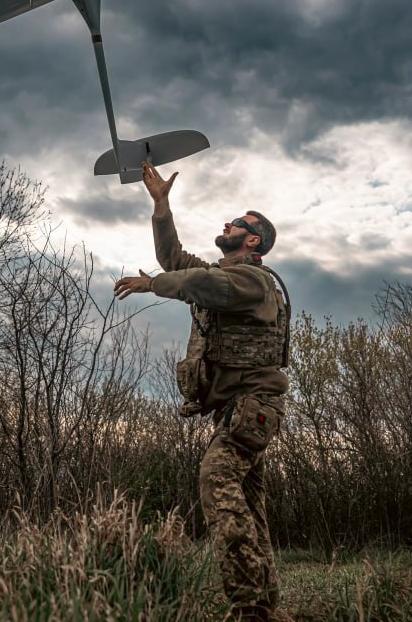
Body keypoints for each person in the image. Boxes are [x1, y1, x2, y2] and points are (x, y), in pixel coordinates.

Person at [114, 161, 290, 621]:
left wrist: (154, 286)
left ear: (253, 240)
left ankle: (248, 605)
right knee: (250, 502)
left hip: (252, 407)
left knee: (217, 481)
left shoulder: (251, 280)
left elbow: (199, 282)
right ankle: (265, 602)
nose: (227, 224)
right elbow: (177, 263)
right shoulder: (225, 277)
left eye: (239, 223)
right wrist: (160, 205)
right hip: (241, 409)